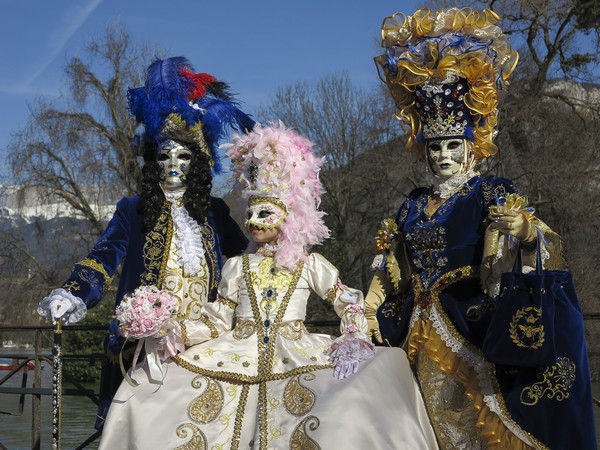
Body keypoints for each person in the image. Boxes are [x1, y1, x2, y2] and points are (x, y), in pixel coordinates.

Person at [97, 122, 439, 449]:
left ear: (287, 218)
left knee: (359, 392)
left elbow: (347, 299)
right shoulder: (237, 265)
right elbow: (217, 319)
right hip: (235, 353)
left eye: (265, 214)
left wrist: (352, 336)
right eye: (251, 214)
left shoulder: (309, 264)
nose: (252, 222)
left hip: (297, 353)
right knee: (153, 391)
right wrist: (175, 330)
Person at [366, 7, 597, 450]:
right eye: (437, 147)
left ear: (473, 147)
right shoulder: (412, 205)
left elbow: (541, 243)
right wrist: (369, 306)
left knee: (477, 427)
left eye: (454, 145)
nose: (445, 156)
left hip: (473, 331)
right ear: (423, 149)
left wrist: (525, 230)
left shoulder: (489, 191)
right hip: (413, 334)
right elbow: (389, 267)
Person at [37, 56, 253, 428]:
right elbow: (103, 258)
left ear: (198, 163)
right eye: (165, 154)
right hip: (144, 348)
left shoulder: (215, 212)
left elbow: (248, 260)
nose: (173, 163)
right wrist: (72, 293)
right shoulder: (133, 210)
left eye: (184, 155)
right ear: (153, 159)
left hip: (208, 345)